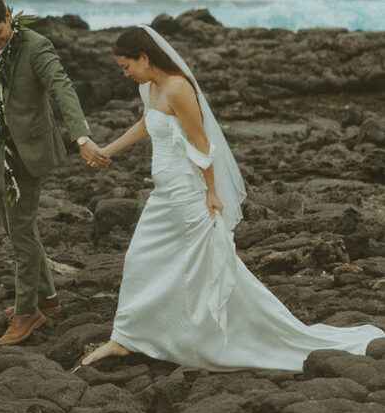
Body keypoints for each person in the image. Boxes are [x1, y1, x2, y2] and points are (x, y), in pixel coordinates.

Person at [82, 24, 384, 370]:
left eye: (126, 66)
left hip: (184, 196)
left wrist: (212, 192)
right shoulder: (151, 87)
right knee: (147, 261)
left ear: (145, 58)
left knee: (182, 266)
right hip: (163, 194)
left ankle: (148, 337)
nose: (125, 74)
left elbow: (202, 144)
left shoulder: (179, 88)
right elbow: (147, 124)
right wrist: (109, 150)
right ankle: (130, 337)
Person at [0, 0, 108, 346]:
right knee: (16, 231)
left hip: (27, 152)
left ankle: (27, 313)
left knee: (23, 232)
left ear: (9, 16)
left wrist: (81, 137)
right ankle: (49, 298)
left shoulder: (36, 47)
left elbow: (63, 89)